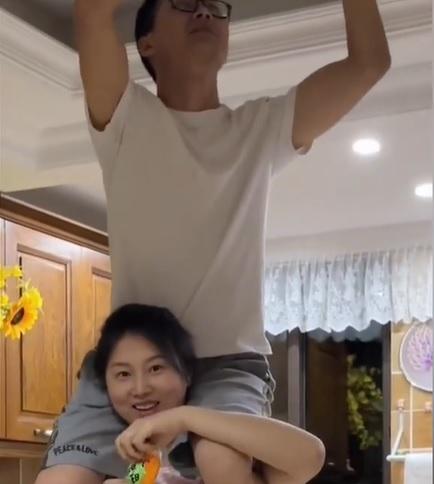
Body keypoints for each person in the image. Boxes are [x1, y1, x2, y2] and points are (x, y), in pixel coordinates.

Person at [36, 0, 390, 483]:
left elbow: (369, 64)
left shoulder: (261, 129)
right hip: (130, 364)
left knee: (222, 462)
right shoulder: (126, 117)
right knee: (61, 480)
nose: (203, 12)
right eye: (184, 3)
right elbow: (91, 13)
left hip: (228, 362)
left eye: (215, 7)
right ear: (146, 43)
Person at [77, 303, 325, 483]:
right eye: (123, 374)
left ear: (186, 373)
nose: (140, 389)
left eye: (156, 368)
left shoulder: (229, 457)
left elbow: (310, 455)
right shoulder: (109, 461)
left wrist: (183, 418)